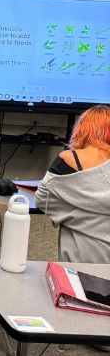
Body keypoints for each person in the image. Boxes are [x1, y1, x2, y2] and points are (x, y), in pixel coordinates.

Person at [35, 105, 110, 264]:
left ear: (83, 129)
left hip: (82, 264)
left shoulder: (69, 159)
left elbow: (42, 200)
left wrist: (78, 213)